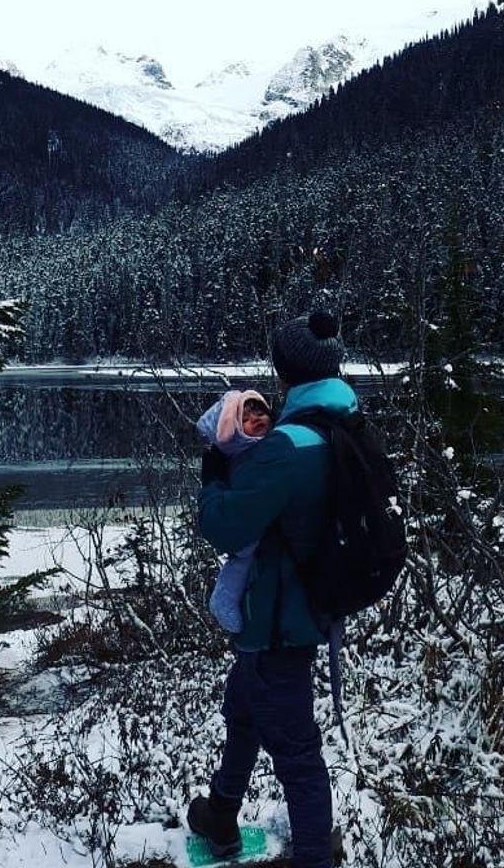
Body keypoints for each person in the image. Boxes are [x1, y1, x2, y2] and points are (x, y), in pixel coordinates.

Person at [188, 308, 350, 868]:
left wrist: (212, 478)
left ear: (287, 374)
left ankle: (313, 858)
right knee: (244, 711)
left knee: (297, 755)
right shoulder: (340, 427)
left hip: (279, 622)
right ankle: (221, 816)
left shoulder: (287, 445)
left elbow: (224, 525)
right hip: (299, 612)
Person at [195, 389, 273, 633]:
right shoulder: (236, 460)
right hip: (250, 539)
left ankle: (229, 607)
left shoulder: (272, 449)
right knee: (239, 567)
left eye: (260, 413)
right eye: (247, 419)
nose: (257, 419)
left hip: (263, 537)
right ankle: (225, 606)